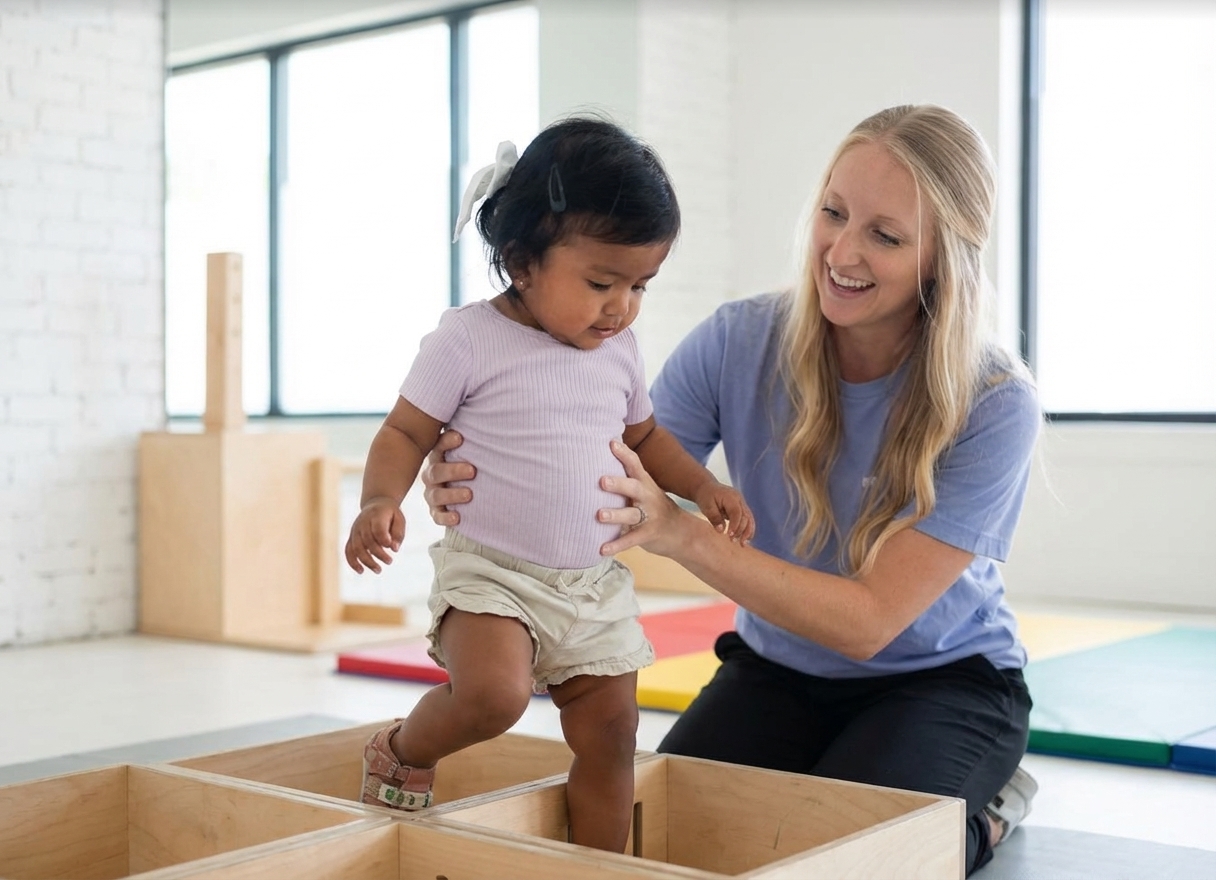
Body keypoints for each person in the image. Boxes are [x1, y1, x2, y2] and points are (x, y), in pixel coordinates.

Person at [421, 104, 1041, 875]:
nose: (841, 252)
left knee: (848, 855)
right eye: (833, 213)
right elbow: (605, 452)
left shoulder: (995, 399)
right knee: (682, 842)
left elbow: (869, 623)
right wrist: (454, 462)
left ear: (944, 258)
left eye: (884, 235)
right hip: (777, 670)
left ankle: (984, 819)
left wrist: (681, 534)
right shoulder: (740, 339)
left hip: (942, 682)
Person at [344, 117, 754, 853]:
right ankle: (405, 748)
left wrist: (703, 487)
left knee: (613, 734)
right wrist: (381, 501)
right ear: (521, 260)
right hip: (493, 576)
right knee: (495, 697)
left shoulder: (618, 351)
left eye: (639, 286)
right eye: (601, 282)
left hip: (592, 585)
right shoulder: (468, 339)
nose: (620, 306)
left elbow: (647, 438)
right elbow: (405, 431)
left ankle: (603, 865)